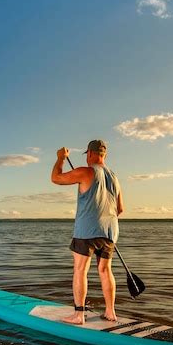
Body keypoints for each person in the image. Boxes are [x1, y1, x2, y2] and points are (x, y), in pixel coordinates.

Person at [51, 139, 124, 325]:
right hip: (109, 231)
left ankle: (79, 315)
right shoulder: (114, 177)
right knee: (105, 270)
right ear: (104, 155)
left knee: (80, 270)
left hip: (87, 230)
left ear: (90, 154)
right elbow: (120, 209)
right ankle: (110, 312)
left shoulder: (86, 171)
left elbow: (56, 178)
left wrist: (61, 158)